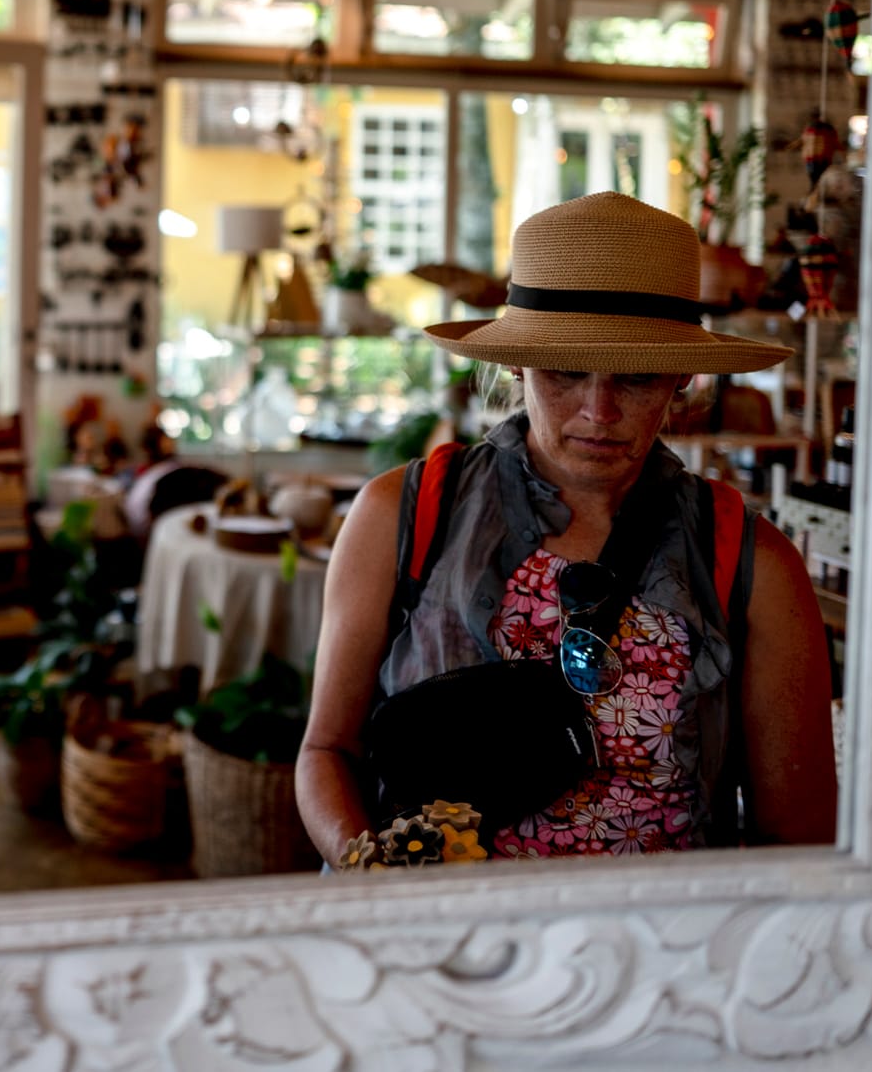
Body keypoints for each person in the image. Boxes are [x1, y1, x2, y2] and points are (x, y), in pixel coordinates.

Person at [298, 193, 837, 863]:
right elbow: (327, 751)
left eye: (637, 376)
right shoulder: (405, 515)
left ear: (682, 375)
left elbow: (797, 839)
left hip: (660, 927)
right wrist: (369, 868)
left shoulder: (752, 563)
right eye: (566, 371)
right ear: (516, 362)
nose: (599, 410)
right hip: (437, 922)